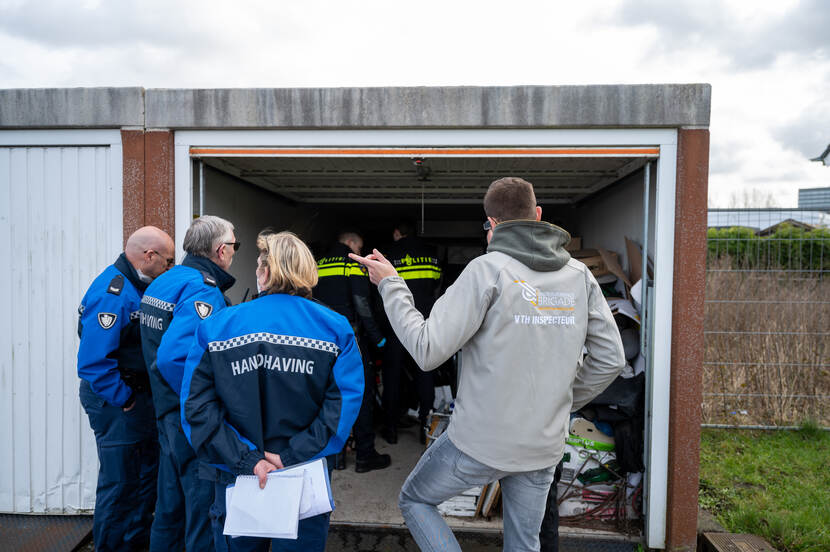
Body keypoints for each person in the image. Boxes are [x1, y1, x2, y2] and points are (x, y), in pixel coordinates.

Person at [351, 177, 626, 551]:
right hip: (542, 444)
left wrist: (390, 285)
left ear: (492, 225)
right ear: (539, 215)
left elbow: (428, 349)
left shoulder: (487, 271)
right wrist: (559, 402)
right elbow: (611, 358)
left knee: (415, 499)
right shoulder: (579, 276)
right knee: (524, 542)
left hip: (481, 443)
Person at [181, 231, 364, 552]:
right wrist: (290, 455)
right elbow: (342, 408)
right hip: (303, 475)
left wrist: (247, 460)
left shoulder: (217, 326)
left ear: (265, 273)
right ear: (307, 272)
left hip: (237, 476)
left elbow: (197, 409)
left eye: (257, 265)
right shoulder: (336, 328)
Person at [139, 215, 238, 552]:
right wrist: (202, 403)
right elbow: (172, 357)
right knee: (201, 511)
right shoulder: (201, 289)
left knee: (169, 508)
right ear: (221, 251)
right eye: (234, 246)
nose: (234, 252)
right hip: (188, 421)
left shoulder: (165, 281)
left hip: (166, 413)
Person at [77, 225, 175, 551]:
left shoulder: (137, 286)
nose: (170, 269)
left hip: (135, 399)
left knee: (142, 483)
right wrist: (126, 399)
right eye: (168, 261)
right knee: (120, 487)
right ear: (149, 256)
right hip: (118, 401)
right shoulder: (113, 292)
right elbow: (93, 362)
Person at [313, 231, 391, 473]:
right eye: (360, 247)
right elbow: (362, 304)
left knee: (329, 396)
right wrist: (379, 339)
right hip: (351, 341)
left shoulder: (317, 264)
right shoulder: (352, 264)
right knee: (361, 395)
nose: (360, 251)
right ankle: (365, 456)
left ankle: (335, 456)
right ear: (351, 244)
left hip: (321, 341)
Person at [379, 220, 442, 445]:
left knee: (393, 377)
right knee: (425, 374)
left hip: (395, 326)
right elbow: (437, 288)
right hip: (424, 323)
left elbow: (379, 291)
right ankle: (425, 426)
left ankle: (391, 429)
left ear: (397, 232)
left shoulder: (389, 254)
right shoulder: (431, 254)